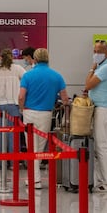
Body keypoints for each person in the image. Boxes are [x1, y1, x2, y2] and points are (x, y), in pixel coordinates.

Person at [18, 48, 69, 189]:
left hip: (29, 113)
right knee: (40, 147)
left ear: (34, 58)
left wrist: (21, 109)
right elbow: (65, 98)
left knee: (31, 147)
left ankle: (34, 179)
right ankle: (35, 179)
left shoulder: (28, 76)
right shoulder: (57, 76)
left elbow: (21, 96)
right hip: (46, 114)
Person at [84, 40, 107, 193]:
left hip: (105, 109)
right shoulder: (104, 66)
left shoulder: (106, 67)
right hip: (104, 108)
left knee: (102, 146)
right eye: (94, 51)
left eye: (98, 51)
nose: (95, 54)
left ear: (106, 53)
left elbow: (88, 84)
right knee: (104, 145)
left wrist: (91, 68)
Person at [0, 49, 26, 167]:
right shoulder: (18, 69)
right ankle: (13, 162)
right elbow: (26, 81)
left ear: (0, 57)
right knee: (13, 134)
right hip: (12, 104)